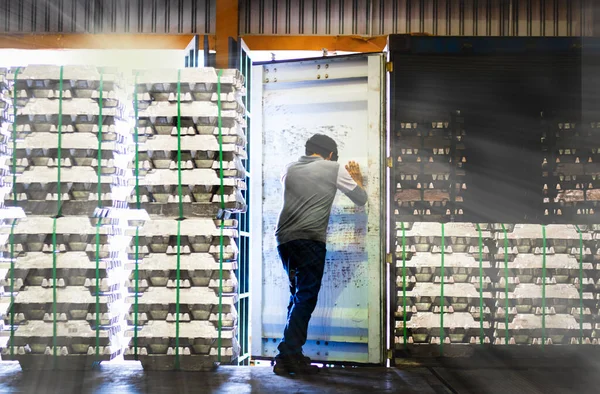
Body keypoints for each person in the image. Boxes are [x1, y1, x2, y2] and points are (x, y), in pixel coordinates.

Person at [272, 134, 368, 375]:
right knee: (306, 296)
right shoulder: (333, 168)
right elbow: (360, 198)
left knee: (297, 295)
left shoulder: (289, 168)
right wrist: (357, 179)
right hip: (309, 239)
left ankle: (291, 354)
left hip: (284, 239)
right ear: (332, 154)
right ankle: (286, 356)